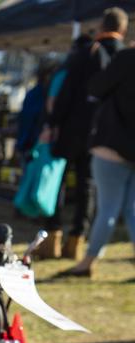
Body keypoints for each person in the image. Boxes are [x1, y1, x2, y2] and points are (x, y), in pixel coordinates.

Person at [48, 7, 128, 261]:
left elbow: (66, 92)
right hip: (109, 137)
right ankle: (76, 241)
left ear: (102, 26)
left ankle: (53, 236)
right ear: (123, 29)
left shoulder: (85, 54)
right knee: (87, 188)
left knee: (59, 182)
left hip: (75, 130)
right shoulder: (124, 55)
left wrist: (52, 123)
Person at [64, 45, 135, 277]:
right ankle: (89, 260)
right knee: (130, 210)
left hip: (113, 147)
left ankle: (88, 261)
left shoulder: (126, 58)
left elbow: (96, 86)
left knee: (108, 209)